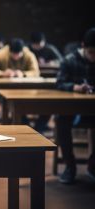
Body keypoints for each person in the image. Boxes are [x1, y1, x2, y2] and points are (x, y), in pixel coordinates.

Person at [56, 28, 95, 184]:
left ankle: (93, 165)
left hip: (92, 109)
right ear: (83, 46)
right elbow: (59, 83)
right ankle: (69, 166)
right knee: (61, 121)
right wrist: (75, 87)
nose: (94, 57)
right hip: (72, 109)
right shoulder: (69, 60)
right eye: (91, 52)